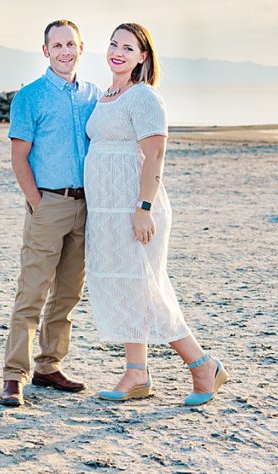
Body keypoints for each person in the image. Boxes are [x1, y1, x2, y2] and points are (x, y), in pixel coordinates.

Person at [83, 22, 228, 407]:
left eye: (128, 48)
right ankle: (137, 372)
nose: (117, 52)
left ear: (143, 56)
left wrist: (143, 208)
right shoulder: (105, 96)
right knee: (128, 285)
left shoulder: (144, 98)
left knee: (148, 288)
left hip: (137, 209)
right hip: (106, 212)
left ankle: (202, 364)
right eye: (113, 44)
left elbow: (155, 155)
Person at [0, 20, 101, 407]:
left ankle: (49, 365)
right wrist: (36, 202)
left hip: (86, 206)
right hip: (49, 204)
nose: (65, 51)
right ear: (45, 51)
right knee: (33, 291)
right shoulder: (31, 97)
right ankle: (14, 375)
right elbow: (19, 156)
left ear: (80, 47)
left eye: (71, 44)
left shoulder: (94, 95)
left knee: (69, 293)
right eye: (57, 45)